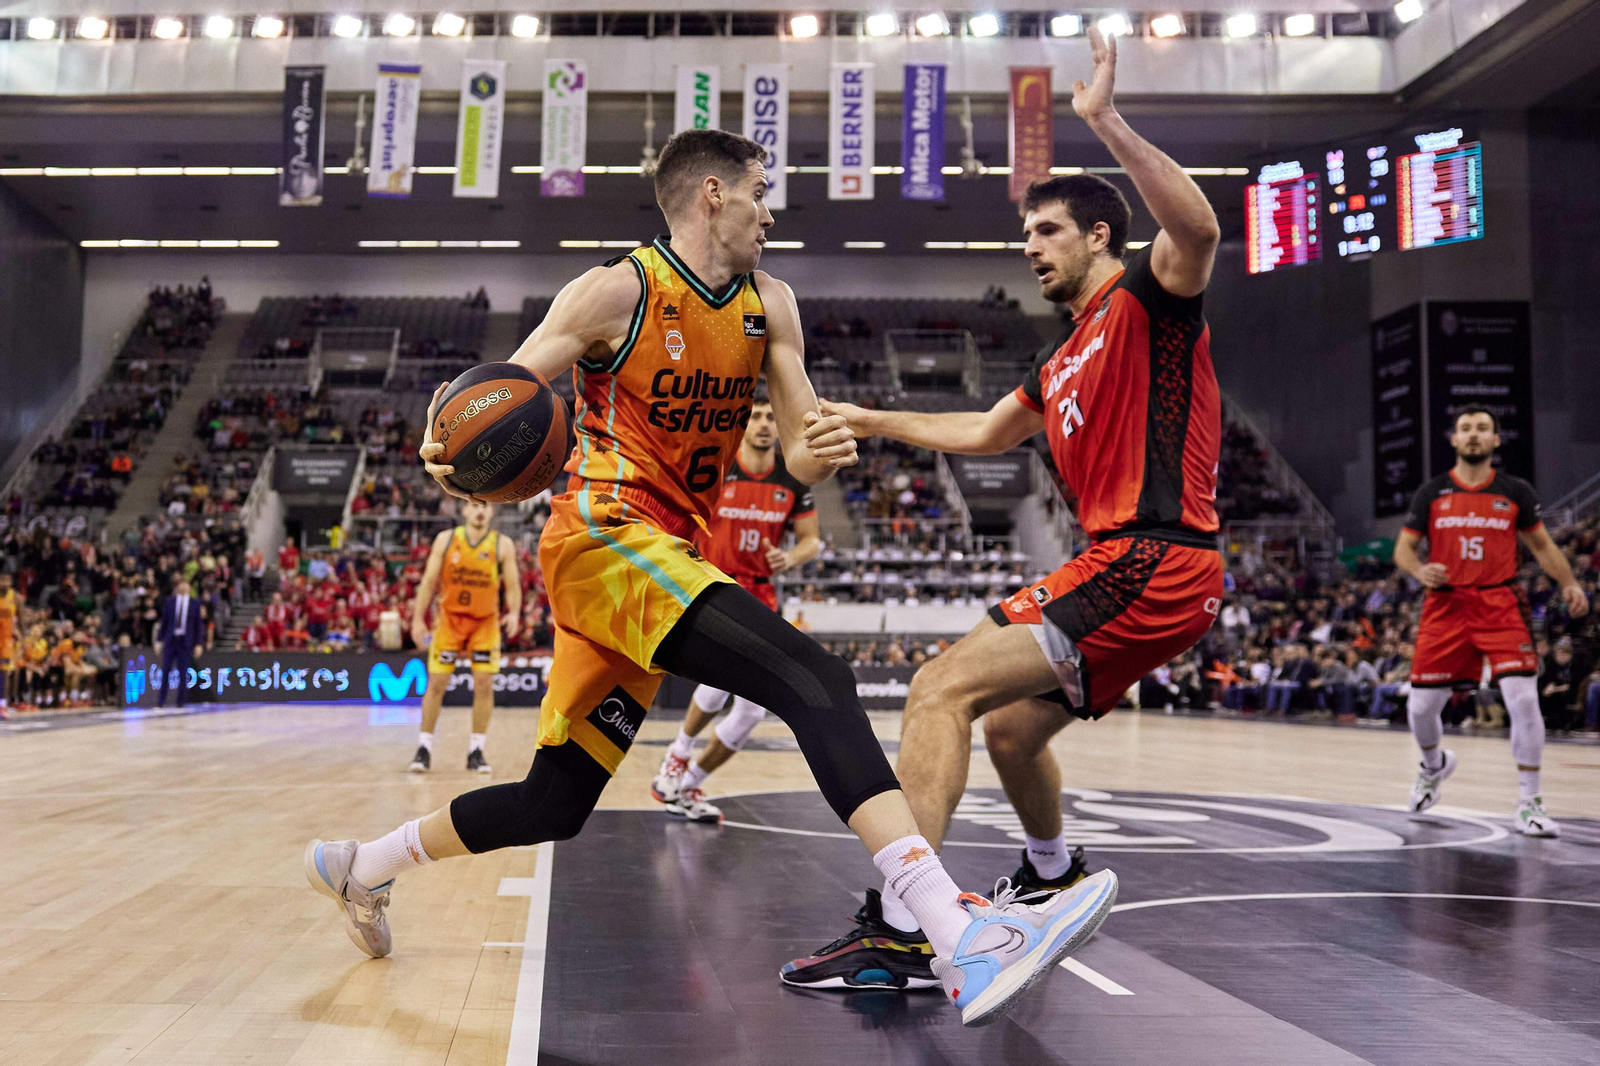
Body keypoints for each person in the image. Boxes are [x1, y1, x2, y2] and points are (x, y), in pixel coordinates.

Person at [304, 127, 1117, 1028]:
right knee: (813, 677)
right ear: (714, 196)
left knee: (554, 801)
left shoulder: (772, 302)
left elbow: (802, 442)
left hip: (666, 556)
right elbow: (496, 387)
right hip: (603, 535)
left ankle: (361, 864)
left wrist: (827, 441)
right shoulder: (618, 289)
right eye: (762, 192)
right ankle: (952, 930)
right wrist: (441, 436)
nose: (773, 212)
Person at [789, 25, 1216, 993]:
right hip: (1137, 567)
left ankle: (899, 926)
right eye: (1024, 236)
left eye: (1046, 231)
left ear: (1099, 235)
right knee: (1009, 731)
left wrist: (1103, 121)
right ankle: (1050, 871)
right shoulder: (1059, 355)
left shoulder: (1149, 301)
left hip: (1154, 556)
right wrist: (868, 415)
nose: (1029, 248)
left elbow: (1196, 232)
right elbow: (985, 432)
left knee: (938, 686)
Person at [1394, 405, 1589, 836]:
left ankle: (1529, 803)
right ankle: (1433, 766)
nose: (1474, 435)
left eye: (1483, 428)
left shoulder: (1515, 491)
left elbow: (1541, 546)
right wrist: (1419, 570)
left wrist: (1570, 583)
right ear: (1454, 440)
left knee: (1522, 699)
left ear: (1496, 440)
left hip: (1500, 602)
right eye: (1466, 429)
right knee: (1421, 707)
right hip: (1445, 606)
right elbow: (1403, 551)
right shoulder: (1431, 492)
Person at [650, 386, 822, 822]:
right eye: (758, 416)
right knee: (724, 677)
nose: (765, 424)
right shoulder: (718, 468)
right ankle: (679, 753)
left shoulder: (791, 480)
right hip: (711, 585)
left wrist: (791, 557)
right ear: (743, 422)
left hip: (760, 591)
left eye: (770, 417)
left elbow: (811, 541)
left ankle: (682, 786)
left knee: (752, 712)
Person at [406, 499, 521, 774]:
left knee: (483, 685)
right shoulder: (446, 540)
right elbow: (429, 581)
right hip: (449, 620)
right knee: (436, 683)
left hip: (484, 623)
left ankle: (476, 750)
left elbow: (513, 584)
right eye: (474, 505)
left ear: (491, 512)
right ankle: (424, 748)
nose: (480, 510)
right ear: (464, 510)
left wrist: (514, 612)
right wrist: (416, 618)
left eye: (485, 506)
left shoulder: (501, 544)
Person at [155, 577, 205, 708]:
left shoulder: (195, 603)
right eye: (181, 584)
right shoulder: (170, 601)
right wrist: (158, 640)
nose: (183, 587)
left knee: (183, 672)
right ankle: (161, 701)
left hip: (185, 641)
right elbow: (164, 622)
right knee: (165, 670)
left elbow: (197, 625)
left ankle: (180, 702)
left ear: (189, 587)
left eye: (185, 584)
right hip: (171, 640)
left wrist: (199, 643)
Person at [0, 573, 16, 713]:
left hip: (5, 642)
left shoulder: (14, 597)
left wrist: (21, 635)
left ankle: (3, 704)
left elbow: (20, 619)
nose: (6, 583)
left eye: (8, 580)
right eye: (3, 580)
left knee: (4, 673)